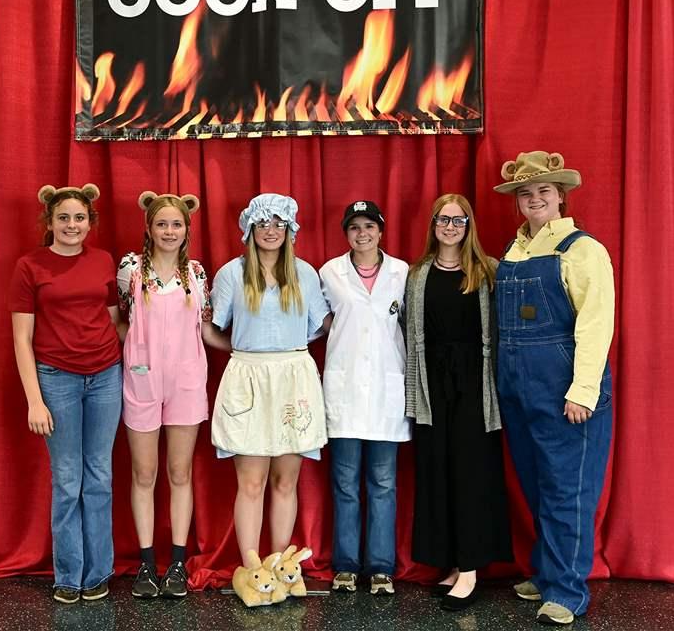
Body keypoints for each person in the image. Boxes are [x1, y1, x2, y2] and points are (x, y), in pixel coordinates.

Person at [493, 151, 615, 626]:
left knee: (568, 490)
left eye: (544, 191)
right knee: (538, 485)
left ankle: (568, 591)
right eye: (526, 193)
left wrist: (582, 390)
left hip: (566, 390)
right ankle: (547, 573)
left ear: (561, 196)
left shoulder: (584, 250)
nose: (535, 200)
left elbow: (596, 324)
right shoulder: (513, 249)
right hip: (520, 390)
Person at [8, 184, 123, 604]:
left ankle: (98, 572)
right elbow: (22, 339)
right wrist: (34, 400)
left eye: (79, 218)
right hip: (57, 379)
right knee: (68, 478)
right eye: (63, 218)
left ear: (89, 223)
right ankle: (68, 574)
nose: (71, 225)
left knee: (101, 476)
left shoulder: (104, 261)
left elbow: (114, 322)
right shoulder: (30, 266)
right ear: (50, 221)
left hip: (106, 376)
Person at [208, 193, 331, 565]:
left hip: (294, 378)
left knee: (285, 480)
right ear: (249, 228)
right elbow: (210, 329)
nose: (271, 230)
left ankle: (278, 566)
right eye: (263, 223)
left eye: (279, 223)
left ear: (291, 229)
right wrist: (244, 351)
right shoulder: (232, 273)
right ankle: (252, 569)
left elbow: (321, 326)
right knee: (251, 481)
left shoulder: (305, 273)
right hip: (247, 375)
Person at [116, 191, 227, 599]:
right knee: (144, 474)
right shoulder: (131, 269)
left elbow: (207, 329)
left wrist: (246, 348)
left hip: (185, 382)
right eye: (161, 224)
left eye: (176, 224)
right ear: (149, 228)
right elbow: (119, 322)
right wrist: (137, 355)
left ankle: (177, 563)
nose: (168, 231)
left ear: (186, 229)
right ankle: (147, 565)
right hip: (142, 381)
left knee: (179, 473)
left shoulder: (196, 274)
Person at [404, 193, 512, 611]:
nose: (450, 227)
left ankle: (470, 567)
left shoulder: (487, 272)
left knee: (471, 472)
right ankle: (449, 562)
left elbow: (501, 335)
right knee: (437, 470)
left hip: (474, 385)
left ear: (470, 225)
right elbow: (409, 334)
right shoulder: (418, 275)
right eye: (443, 219)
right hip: (432, 385)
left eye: (459, 220)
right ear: (432, 224)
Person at [318, 201, 410, 596]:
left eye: (369, 226)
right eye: (354, 227)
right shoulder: (330, 272)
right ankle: (346, 566)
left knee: (383, 482)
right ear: (346, 233)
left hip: (387, 390)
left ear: (381, 231)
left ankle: (381, 567)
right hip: (345, 389)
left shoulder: (402, 272)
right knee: (344, 482)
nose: (362, 234)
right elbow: (318, 319)